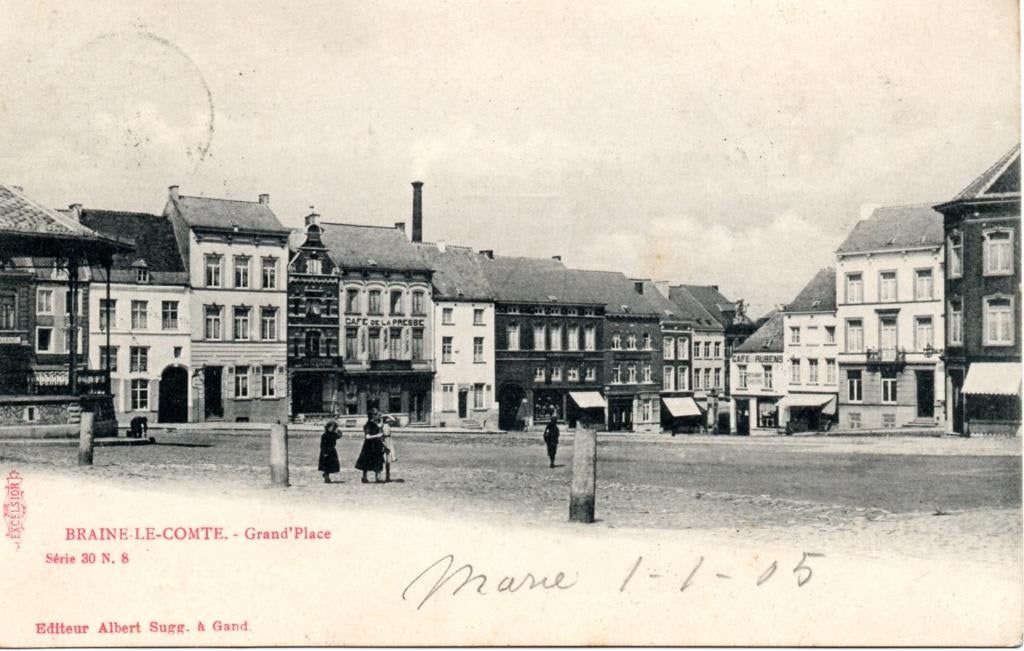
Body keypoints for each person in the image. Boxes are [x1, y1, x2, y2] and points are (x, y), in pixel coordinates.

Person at [355, 409, 386, 483]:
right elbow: (367, 436)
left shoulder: (374, 424)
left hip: (376, 445)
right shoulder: (368, 425)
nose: (378, 415)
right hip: (369, 445)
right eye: (376, 414)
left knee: (378, 460)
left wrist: (381, 419)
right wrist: (377, 435)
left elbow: (380, 426)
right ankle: (364, 477)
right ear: (372, 416)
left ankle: (377, 477)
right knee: (366, 461)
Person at [381, 415, 397, 483]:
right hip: (384, 441)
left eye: (387, 419)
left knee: (388, 460)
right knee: (383, 459)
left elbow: (394, 420)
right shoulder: (381, 425)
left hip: (389, 441)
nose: (388, 420)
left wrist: (388, 415)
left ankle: (387, 476)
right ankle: (379, 475)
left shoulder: (388, 424)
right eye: (386, 419)